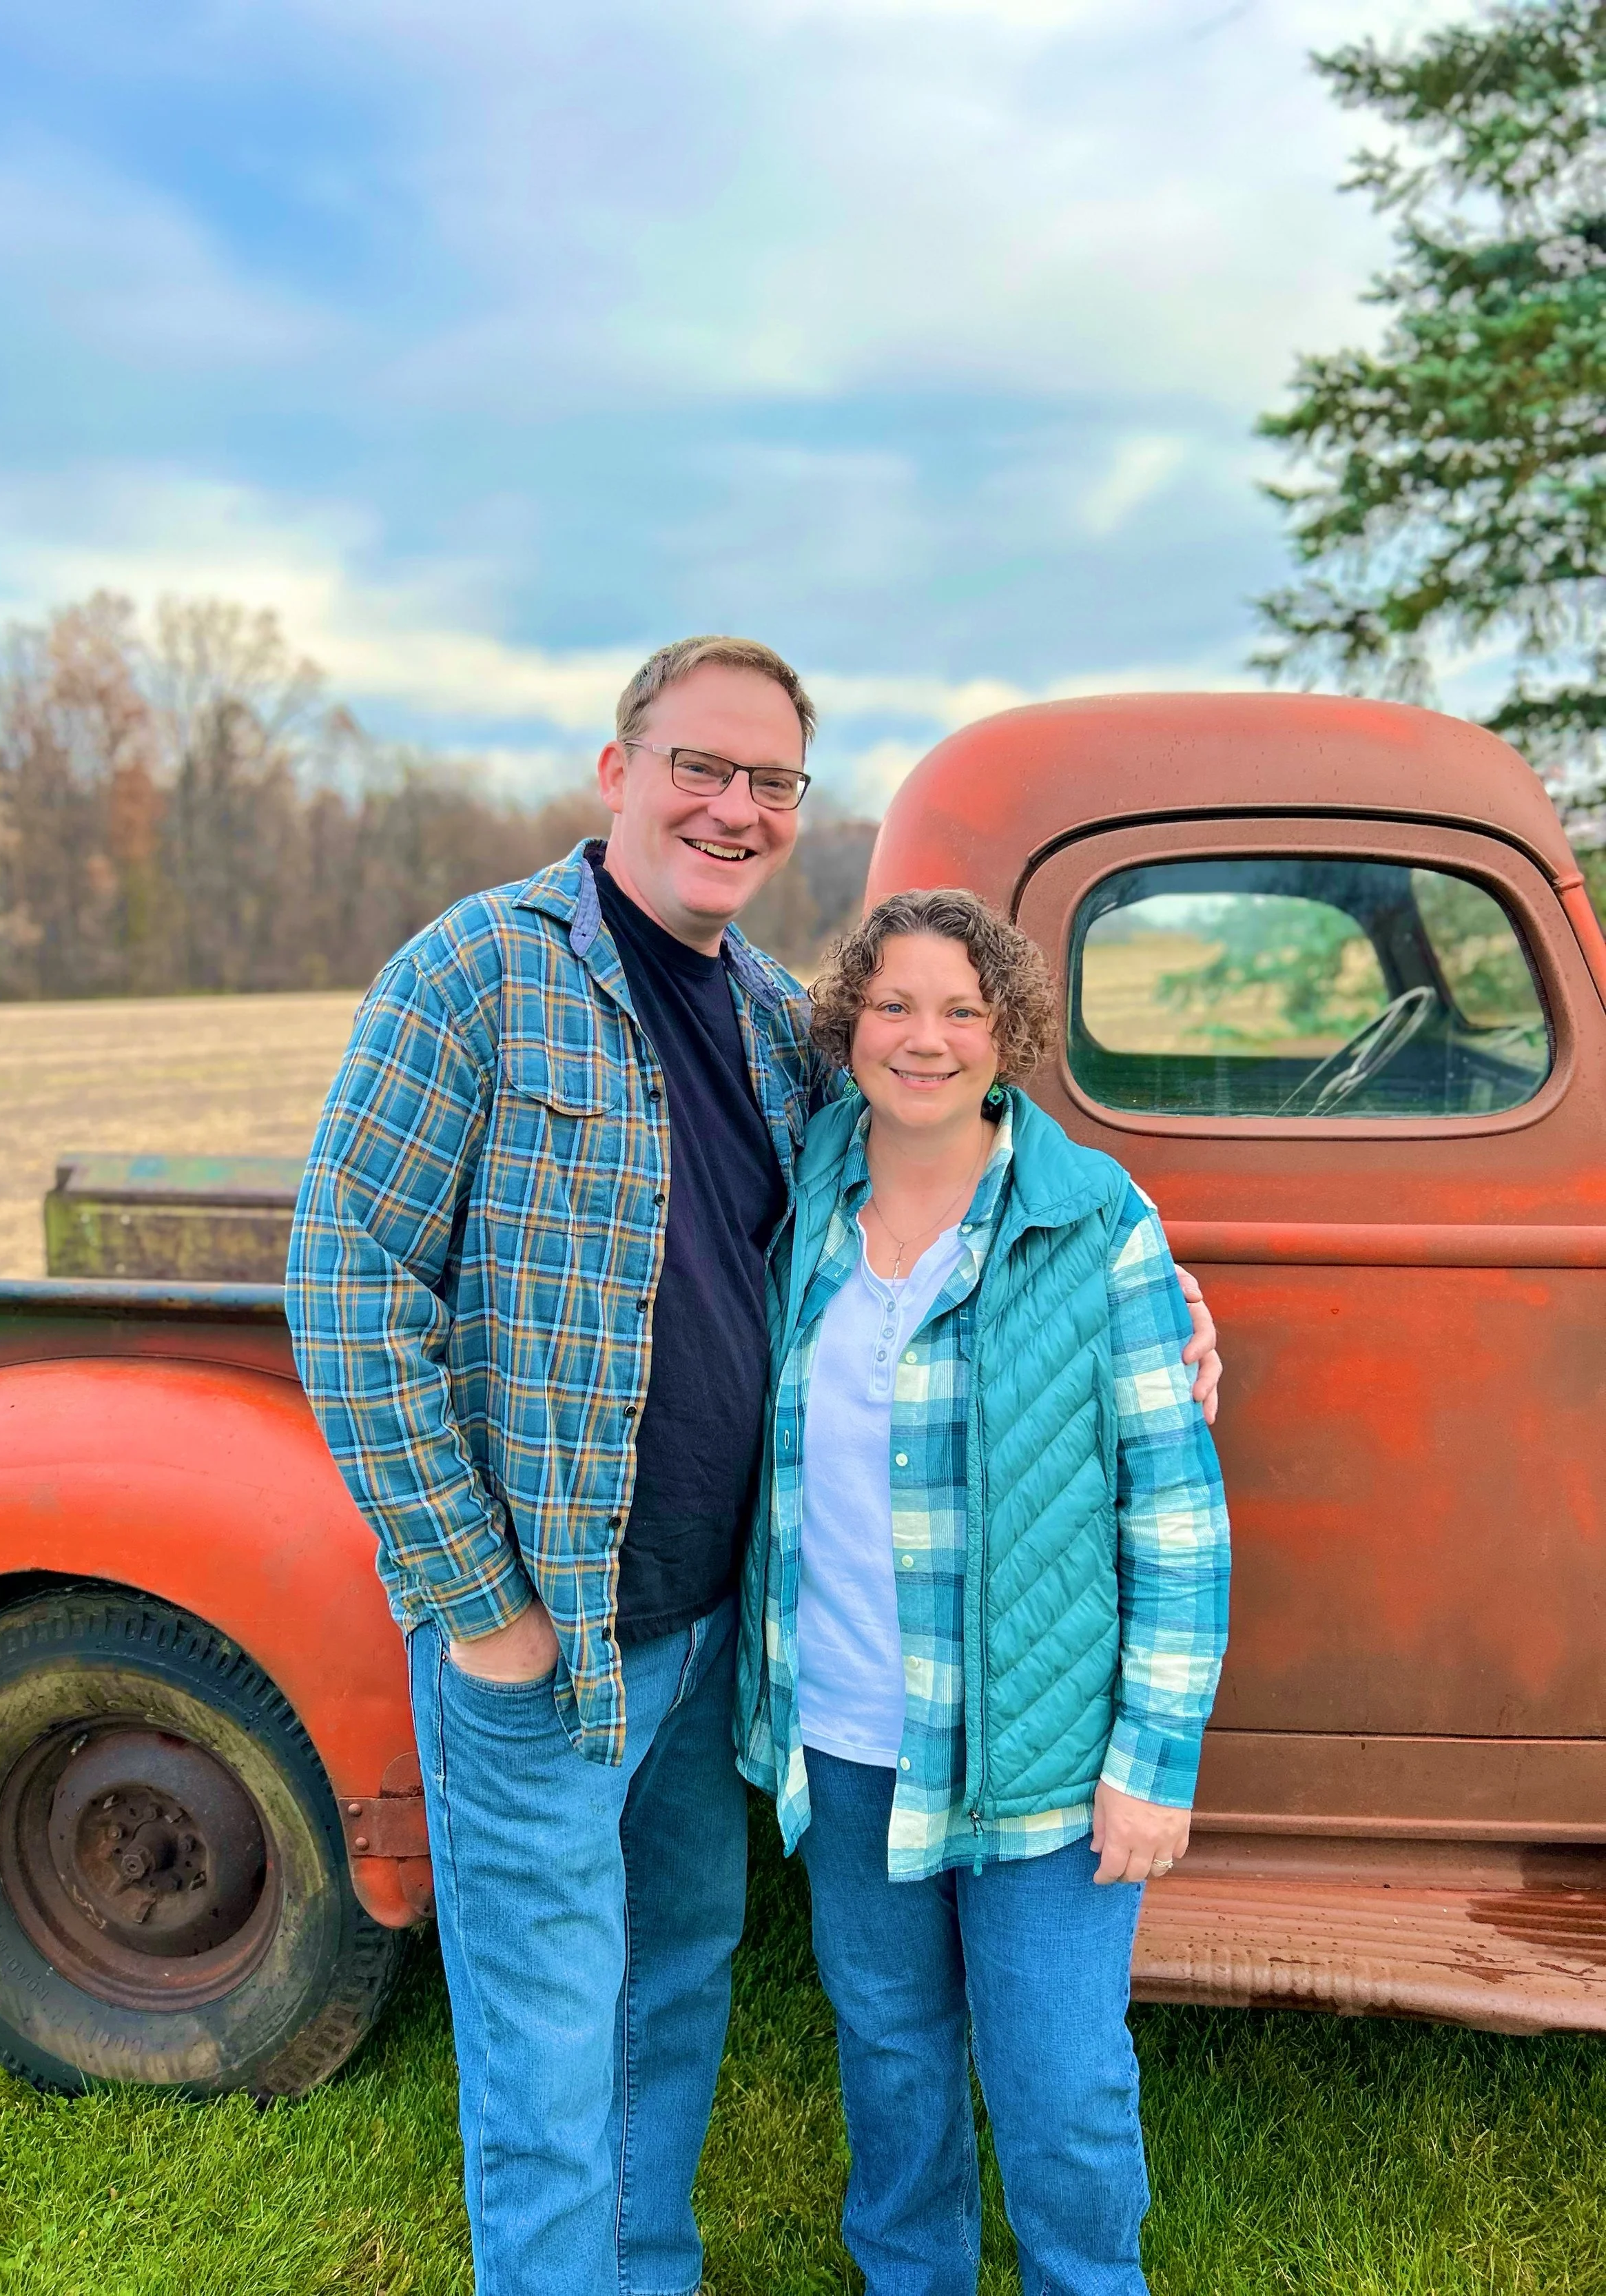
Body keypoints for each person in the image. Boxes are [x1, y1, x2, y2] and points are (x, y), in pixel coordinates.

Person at [287, 636, 1222, 2296]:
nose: (731, 808)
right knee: (551, 2042)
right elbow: (347, 1287)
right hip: (546, 1634)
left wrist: (1152, 1287)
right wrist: (475, 1602)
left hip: (715, 1637)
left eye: (769, 783)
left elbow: (951, 1148)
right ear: (616, 771)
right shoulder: (475, 978)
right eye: (698, 769)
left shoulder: (770, 1021)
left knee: (670, 1993)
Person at [735, 888, 1231, 2296]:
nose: (925, 1036)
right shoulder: (809, 1192)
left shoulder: (1093, 1223)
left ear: (1006, 1032)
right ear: (848, 1026)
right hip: (843, 1736)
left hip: (1044, 1762)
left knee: (1057, 2080)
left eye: (960, 1008)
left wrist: (1151, 1762)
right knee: (890, 2057)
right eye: (892, 1003)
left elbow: (1176, 1515)